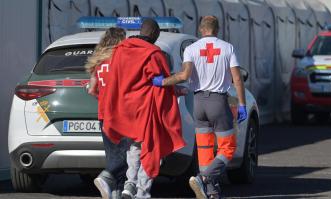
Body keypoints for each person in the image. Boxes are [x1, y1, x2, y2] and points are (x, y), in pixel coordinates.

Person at [152, 16, 247, 199]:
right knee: (228, 147)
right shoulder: (227, 48)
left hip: (198, 103)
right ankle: (204, 178)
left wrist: (162, 81)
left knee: (204, 148)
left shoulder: (191, 49)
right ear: (217, 30)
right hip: (218, 103)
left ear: (201, 30)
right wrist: (242, 104)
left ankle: (210, 191)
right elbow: (237, 78)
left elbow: (184, 75)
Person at [102, 18, 186, 199]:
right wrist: (176, 90)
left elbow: (114, 80)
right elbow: (160, 84)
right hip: (146, 109)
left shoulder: (120, 50)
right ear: (155, 35)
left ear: (141, 31)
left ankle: (128, 186)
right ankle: (142, 191)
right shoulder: (154, 54)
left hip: (125, 110)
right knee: (151, 147)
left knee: (134, 146)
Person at [85, 27, 130, 199]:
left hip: (104, 115)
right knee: (127, 155)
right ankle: (106, 176)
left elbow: (91, 90)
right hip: (121, 115)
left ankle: (115, 193)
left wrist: (103, 98)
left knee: (113, 155)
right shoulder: (121, 60)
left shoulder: (99, 62)